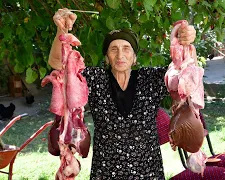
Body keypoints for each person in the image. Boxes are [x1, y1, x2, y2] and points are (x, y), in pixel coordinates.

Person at [48, 9, 196, 179]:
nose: (120, 55)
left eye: (126, 49)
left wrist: (187, 42)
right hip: (106, 171)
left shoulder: (150, 78)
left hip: (148, 171)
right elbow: (58, 63)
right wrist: (62, 31)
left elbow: (186, 71)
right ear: (106, 57)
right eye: (113, 49)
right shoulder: (96, 79)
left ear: (134, 57)